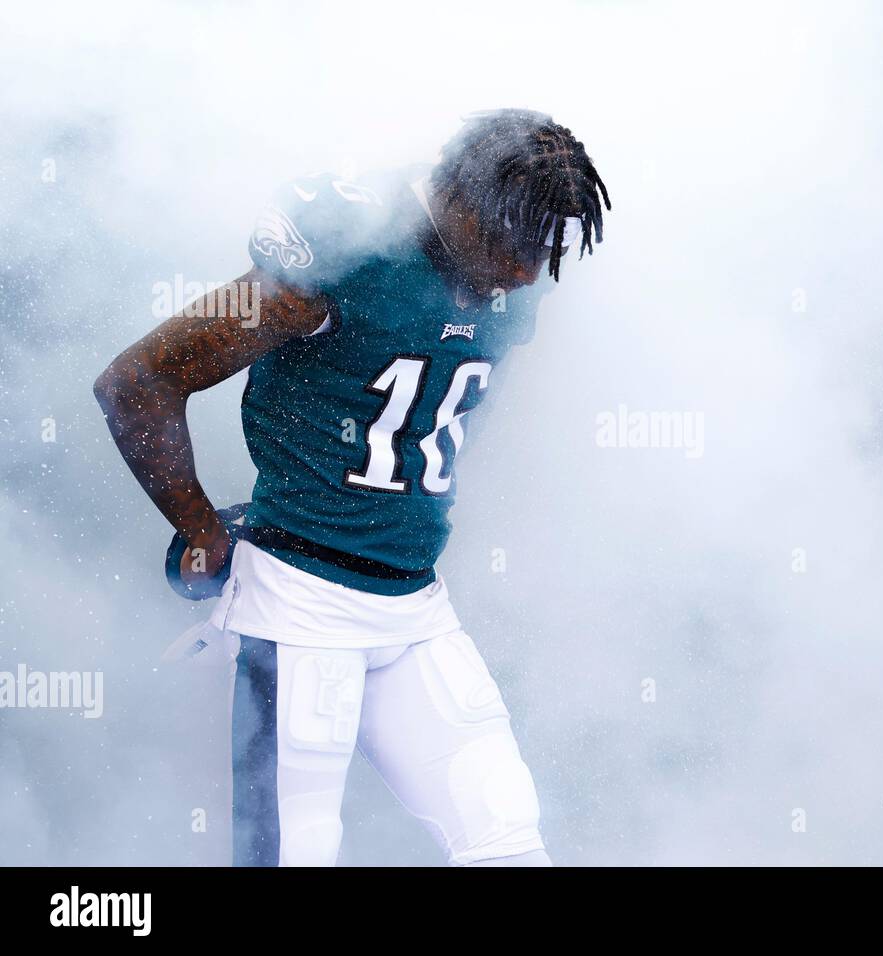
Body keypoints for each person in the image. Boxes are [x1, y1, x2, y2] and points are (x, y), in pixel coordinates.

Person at [93, 109, 611, 866]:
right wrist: (205, 530)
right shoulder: (346, 252)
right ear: (457, 201)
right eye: (512, 242)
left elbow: (442, 404)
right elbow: (138, 381)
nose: (527, 271)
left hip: (417, 610)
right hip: (300, 608)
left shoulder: (513, 270)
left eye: (544, 249)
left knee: (507, 840)